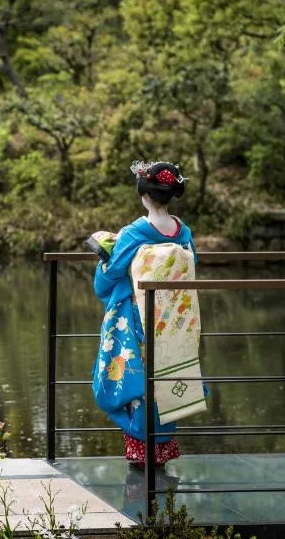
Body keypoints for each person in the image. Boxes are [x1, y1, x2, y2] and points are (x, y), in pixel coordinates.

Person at [89, 161, 201, 467]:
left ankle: (140, 458)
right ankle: (160, 455)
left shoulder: (133, 232)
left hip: (139, 321)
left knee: (137, 385)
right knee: (164, 380)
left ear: (144, 195)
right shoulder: (183, 234)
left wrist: (104, 259)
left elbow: (106, 281)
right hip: (173, 321)